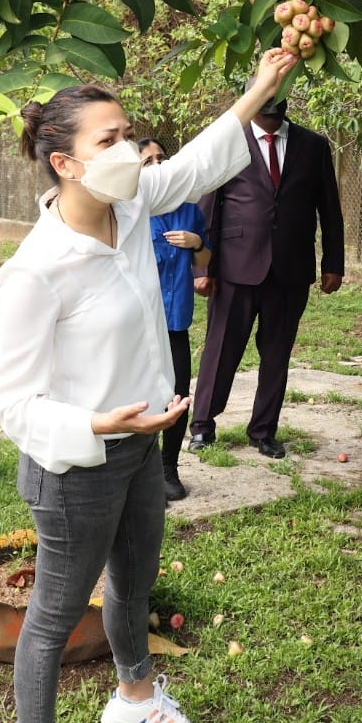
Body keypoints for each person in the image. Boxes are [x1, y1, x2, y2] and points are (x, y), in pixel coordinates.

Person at [0, 47, 297, 723]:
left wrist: (260, 88)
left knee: (134, 581)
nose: (128, 149)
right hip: (76, 465)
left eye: (128, 133)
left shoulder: (129, 209)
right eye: (109, 140)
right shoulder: (37, 270)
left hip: (140, 445)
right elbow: (15, 404)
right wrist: (99, 424)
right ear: (65, 163)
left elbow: (195, 165)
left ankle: (134, 695)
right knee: (56, 615)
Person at [187, 93, 344, 459]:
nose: (272, 114)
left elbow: (330, 209)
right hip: (234, 268)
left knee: (276, 353)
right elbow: (208, 208)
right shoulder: (229, 142)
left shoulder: (313, 146)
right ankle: (203, 426)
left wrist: (333, 263)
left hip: (291, 268)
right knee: (221, 348)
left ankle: (263, 430)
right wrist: (202, 268)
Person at [138, 137, 212, 502]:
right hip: (139, 324)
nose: (156, 165)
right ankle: (140, 472)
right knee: (139, 395)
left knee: (178, 393)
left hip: (176, 320)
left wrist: (197, 243)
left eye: (160, 158)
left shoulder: (188, 207)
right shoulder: (130, 208)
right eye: (146, 160)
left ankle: (169, 466)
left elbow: (205, 264)